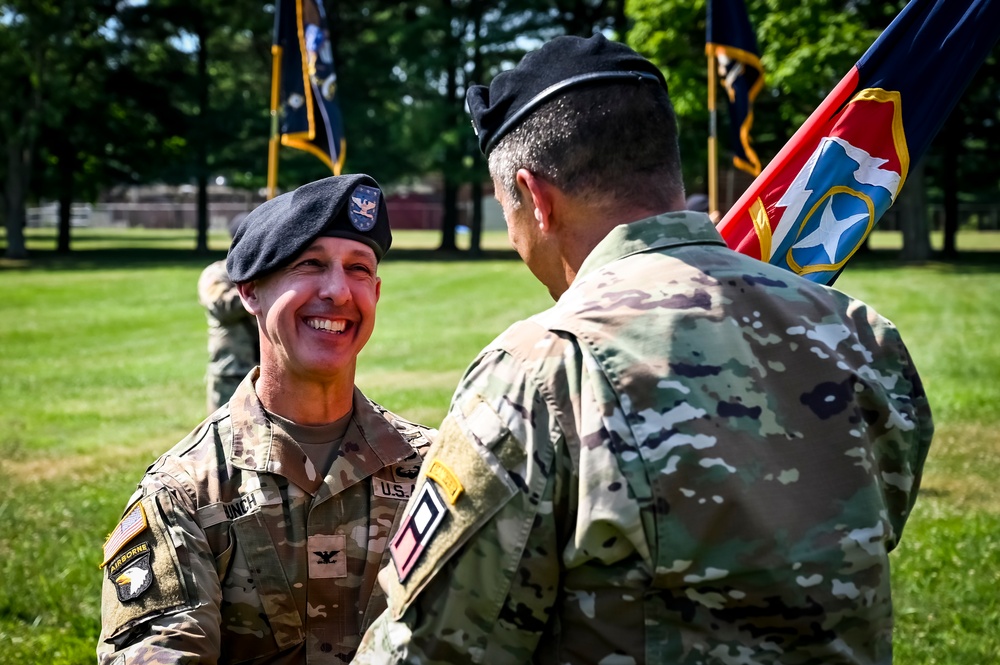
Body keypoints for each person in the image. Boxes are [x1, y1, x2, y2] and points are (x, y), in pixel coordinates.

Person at [355, 35, 933, 664]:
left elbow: (435, 647)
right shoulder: (862, 336)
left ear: (536, 199)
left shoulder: (542, 370)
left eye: (508, 209)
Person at [98, 174, 436, 665]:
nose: (339, 291)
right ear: (250, 292)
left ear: (377, 292)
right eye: (311, 264)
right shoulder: (185, 495)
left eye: (358, 268)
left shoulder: (433, 470)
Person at [198, 213, 260, 413]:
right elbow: (222, 307)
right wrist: (260, 290)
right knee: (228, 436)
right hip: (232, 370)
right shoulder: (217, 273)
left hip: (266, 370)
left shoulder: (264, 274)